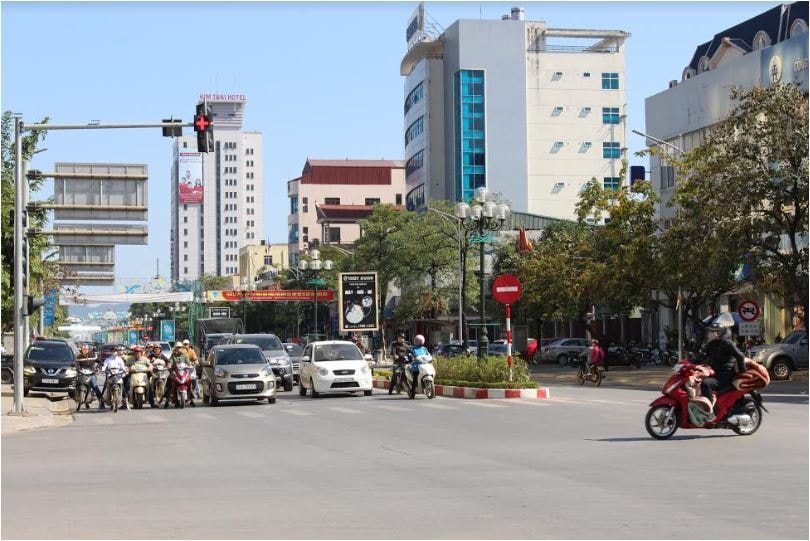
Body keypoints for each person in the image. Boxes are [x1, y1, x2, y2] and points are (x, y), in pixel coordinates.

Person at [700, 325, 747, 420]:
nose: (711, 334)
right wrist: (689, 362)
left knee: (705, 384)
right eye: (711, 331)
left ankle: (710, 412)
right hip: (716, 374)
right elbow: (703, 357)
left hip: (725, 376)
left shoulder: (728, 344)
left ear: (721, 333)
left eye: (715, 331)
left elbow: (740, 356)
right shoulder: (712, 344)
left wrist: (742, 372)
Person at [76, 344, 105, 410]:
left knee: (95, 386)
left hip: (91, 373)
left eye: (86, 349)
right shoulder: (79, 357)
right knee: (77, 384)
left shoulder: (93, 355)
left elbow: (100, 362)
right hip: (82, 373)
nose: (85, 351)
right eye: (83, 349)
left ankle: (101, 402)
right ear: (81, 350)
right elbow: (76, 364)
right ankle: (77, 398)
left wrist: (98, 367)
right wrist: (78, 368)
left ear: (88, 350)